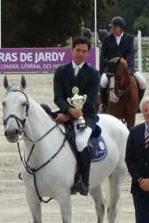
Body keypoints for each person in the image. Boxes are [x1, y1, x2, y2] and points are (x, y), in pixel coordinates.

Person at [53, 36, 100, 196]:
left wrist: (70, 116)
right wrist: (67, 111)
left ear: (88, 53)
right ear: (72, 50)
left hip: (86, 116)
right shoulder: (61, 71)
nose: (80, 54)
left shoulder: (93, 74)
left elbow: (90, 100)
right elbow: (57, 97)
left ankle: (84, 182)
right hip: (65, 111)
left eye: (84, 51)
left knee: (80, 142)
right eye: (78, 50)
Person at [99, 16, 146, 111]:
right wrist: (108, 66)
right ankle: (104, 105)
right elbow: (103, 56)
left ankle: (137, 104)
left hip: (126, 67)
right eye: (111, 27)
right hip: (111, 69)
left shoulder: (129, 38)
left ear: (120, 28)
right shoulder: (107, 40)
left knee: (142, 82)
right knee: (103, 82)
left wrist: (125, 64)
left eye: (114, 27)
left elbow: (130, 53)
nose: (112, 29)